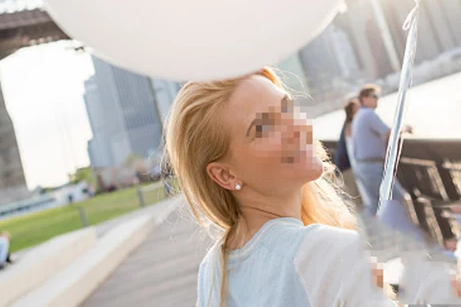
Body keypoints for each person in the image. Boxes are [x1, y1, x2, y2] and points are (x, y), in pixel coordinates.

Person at [165, 67, 397, 306]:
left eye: (287, 108)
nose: (296, 128)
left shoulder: (214, 270)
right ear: (224, 174)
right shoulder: (331, 254)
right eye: (264, 128)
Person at [332, 97, 360, 202]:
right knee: (357, 199)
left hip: (344, 167)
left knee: (356, 199)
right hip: (347, 168)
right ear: (352, 111)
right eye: (358, 108)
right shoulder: (351, 125)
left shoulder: (347, 124)